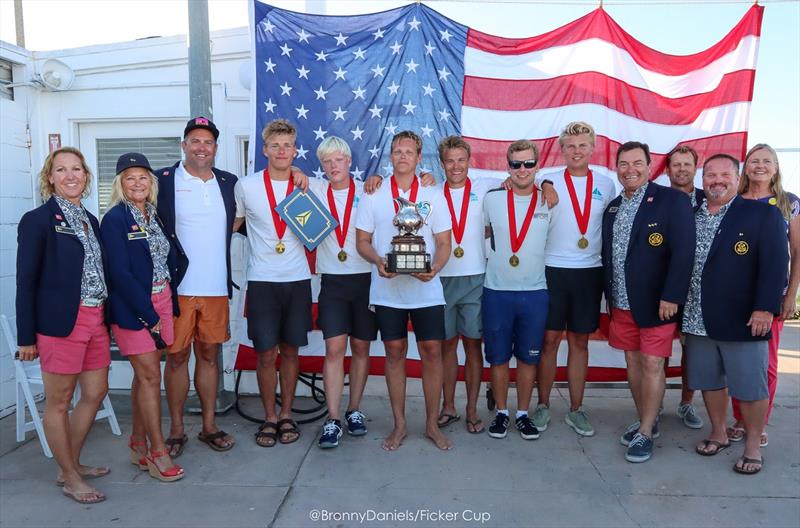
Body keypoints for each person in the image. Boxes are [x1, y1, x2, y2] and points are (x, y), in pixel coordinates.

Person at [16, 147, 111, 503]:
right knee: (59, 402)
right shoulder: (37, 220)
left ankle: (68, 463)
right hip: (60, 325)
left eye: (77, 169)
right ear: (50, 177)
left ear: (85, 176)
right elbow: (25, 281)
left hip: (95, 319)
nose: (71, 175)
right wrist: (27, 337)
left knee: (95, 392)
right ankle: (70, 476)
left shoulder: (90, 219)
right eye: (61, 170)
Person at [683, 153, 787, 474]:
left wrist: (764, 308)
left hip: (744, 318)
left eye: (724, 175)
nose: (716, 181)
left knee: (750, 386)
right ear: (703, 181)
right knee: (710, 381)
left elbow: (775, 265)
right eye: (710, 176)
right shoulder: (691, 214)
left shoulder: (761, 214)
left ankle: (753, 445)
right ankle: (719, 432)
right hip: (696, 317)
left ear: (737, 177)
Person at [355, 130, 453, 451]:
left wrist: (434, 268)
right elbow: (362, 242)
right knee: (394, 353)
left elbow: (443, 244)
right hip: (388, 289)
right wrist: (378, 260)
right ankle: (399, 425)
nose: (402, 156)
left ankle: (430, 424)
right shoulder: (374, 193)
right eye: (397, 151)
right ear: (390, 156)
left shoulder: (433, 193)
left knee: (432, 353)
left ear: (418, 157)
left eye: (408, 152)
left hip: (426, 289)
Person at [602, 141, 695, 463]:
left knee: (653, 363)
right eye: (624, 164)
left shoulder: (672, 200)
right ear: (616, 167)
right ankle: (648, 420)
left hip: (658, 304)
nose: (630, 170)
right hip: (622, 304)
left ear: (649, 164)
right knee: (633, 364)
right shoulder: (613, 206)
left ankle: (643, 433)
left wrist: (672, 296)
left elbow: (684, 252)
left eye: (637, 163)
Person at [101, 153, 183, 482]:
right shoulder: (116, 219)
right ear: (120, 183)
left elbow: (166, 258)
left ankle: (137, 443)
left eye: (143, 177)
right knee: (150, 376)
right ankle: (157, 451)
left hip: (162, 299)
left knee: (143, 376)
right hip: (135, 308)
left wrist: (168, 301)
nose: (137, 183)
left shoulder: (153, 214)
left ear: (151, 183)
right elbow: (119, 274)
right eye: (130, 177)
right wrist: (150, 316)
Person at [157, 117, 237, 455]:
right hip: (177, 289)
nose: (201, 147)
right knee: (176, 359)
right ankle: (176, 429)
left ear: (215, 148)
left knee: (209, 355)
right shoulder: (162, 180)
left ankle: (209, 425)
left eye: (207, 142)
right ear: (184, 145)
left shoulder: (229, 182)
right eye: (195, 140)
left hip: (216, 286)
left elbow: (258, 208)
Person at [533, 121, 616, 437]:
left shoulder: (607, 184)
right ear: (562, 149)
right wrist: (543, 184)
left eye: (583, 145)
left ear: (592, 148)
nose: (577, 151)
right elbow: (529, 180)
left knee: (580, 342)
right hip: (552, 269)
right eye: (570, 146)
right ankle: (542, 405)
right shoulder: (550, 179)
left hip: (589, 272)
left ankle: (576, 410)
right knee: (549, 341)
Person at [233, 119, 310, 447]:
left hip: (297, 278)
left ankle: (287, 413)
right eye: (275, 145)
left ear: (295, 150)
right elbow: (236, 223)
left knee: (291, 351)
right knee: (266, 353)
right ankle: (268, 416)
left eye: (287, 145)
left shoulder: (306, 185)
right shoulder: (246, 186)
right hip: (262, 279)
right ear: (264, 149)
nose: (281, 150)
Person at [304, 136, 378, 448]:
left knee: (361, 348)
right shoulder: (316, 189)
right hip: (332, 281)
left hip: (366, 280)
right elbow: (289, 174)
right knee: (334, 350)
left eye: (338, 160)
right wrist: (296, 172)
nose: (333, 166)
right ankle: (332, 418)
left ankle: (354, 410)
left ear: (349, 161)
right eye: (327, 162)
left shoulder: (369, 189)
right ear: (322, 166)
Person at [727, 143, 800, 447]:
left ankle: (759, 421)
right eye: (754, 160)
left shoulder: (789, 203)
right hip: (731, 296)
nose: (759, 166)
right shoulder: (732, 200)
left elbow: (796, 252)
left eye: (766, 161)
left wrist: (790, 295)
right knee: (735, 362)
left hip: (770, 298)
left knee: (766, 364)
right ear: (745, 166)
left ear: (776, 167)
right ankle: (739, 419)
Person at [482, 140, 552, 440]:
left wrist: (548, 185)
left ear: (537, 166)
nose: (522, 170)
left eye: (527, 164)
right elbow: (487, 233)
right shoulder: (492, 199)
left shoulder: (549, 200)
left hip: (535, 292)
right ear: (507, 166)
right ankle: (501, 412)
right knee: (497, 358)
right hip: (497, 291)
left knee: (528, 358)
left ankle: (522, 414)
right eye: (515, 164)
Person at [436, 136, 497, 434]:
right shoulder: (432, 193)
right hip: (442, 278)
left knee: (473, 345)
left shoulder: (485, 187)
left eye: (461, 159)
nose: (456, 166)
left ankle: (472, 409)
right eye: (450, 160)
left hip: (476, 277)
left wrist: (547, 186)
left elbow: (520, 180)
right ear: (441, 163)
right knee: (447, 346)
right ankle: (448, 406)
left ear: (469, 160)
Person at [663, 145, 705, 429]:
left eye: (686, 164)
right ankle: (654, 406)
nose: (681, 169)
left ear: (695, 168)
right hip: (662, 288)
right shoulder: (656, 199)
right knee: (659, 350)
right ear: (667, 170)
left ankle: (686, 403)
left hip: (698, 290)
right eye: (675, 165)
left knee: (692, 351)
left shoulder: (709, 200)